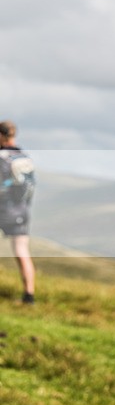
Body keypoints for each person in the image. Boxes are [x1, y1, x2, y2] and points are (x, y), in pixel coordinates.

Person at [0, 120, 36, 305]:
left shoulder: (3, 157)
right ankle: (29, 295)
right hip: (22, 209)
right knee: (22, 250)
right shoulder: (25, 158)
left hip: (4, 208)